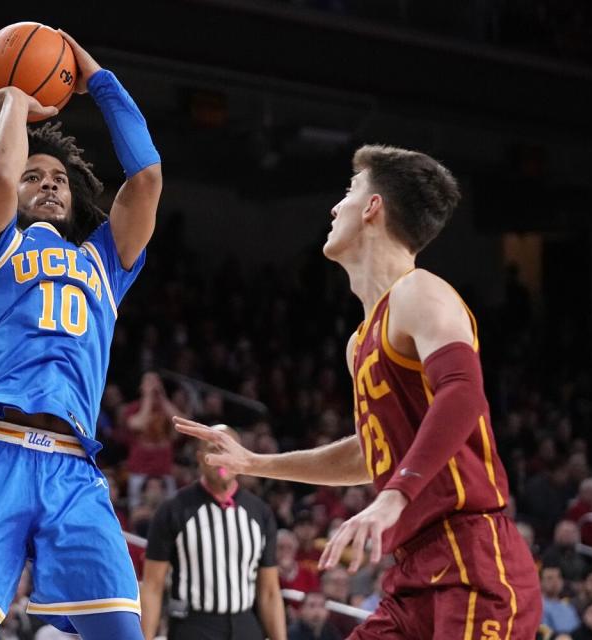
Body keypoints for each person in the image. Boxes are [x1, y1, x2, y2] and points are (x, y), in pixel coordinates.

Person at [174, 144, 540, 638]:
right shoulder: (359, 341)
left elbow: (463, 393)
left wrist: (394, 497)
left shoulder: (420, 292)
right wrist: (257, 464)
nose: (334, 207)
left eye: (349, 192)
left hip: (471, 561)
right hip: (413, 574)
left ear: (372, 208)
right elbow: (374, 452)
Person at [0, 29, 161, 640]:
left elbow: (148, 177)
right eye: (35, 175)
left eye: (58, 176)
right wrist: (19, 103)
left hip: (74, 467)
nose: (49, 183)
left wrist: (96, 78)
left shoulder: (104, 263)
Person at [141, 426, 285, 640]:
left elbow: (270, 592)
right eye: (214, 449)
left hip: (245, 624)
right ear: (200, 458)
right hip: (193, 625)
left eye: (227, 448)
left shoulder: (260, 513)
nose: (221, 457)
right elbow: (153, 586)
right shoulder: (174, 510)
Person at [541, 565, 580, 634]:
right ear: (540, 582)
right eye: (550, 578)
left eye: (558, 577)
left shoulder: (569, 607)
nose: (555, 581)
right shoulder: (538, 606)